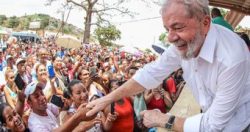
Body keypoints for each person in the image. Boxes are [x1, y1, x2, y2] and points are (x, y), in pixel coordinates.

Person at [86, 0, 250, 131]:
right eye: (167, 29)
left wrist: (162, 119)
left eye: (178, 27)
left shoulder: (232, 58)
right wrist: (107, 99)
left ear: (205, 23)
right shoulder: (186, 42)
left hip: (237, 125)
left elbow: (213, 125)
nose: (170, 38)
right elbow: (151, 73)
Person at [25, 81, 96, 132]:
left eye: (42, 93)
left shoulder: (47, 107)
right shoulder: (35, 124)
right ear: (29, 103)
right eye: (36, 96)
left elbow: (60, 112)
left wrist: (65, 106)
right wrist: (77, 118)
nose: (42, 97)